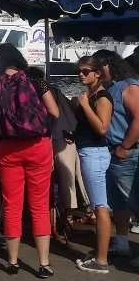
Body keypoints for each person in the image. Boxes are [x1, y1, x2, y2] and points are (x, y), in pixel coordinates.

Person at [0, 43, 59, 278]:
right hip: (38, 147)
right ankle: (44, 263)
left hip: (7, 150)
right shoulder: (36, 80)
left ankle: (13, 262)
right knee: (39, 205)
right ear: (18, 58)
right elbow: (54, 112)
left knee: (12, 205)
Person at [26, 67, 93, 226]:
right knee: (77, 175)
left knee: (66, 177)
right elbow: (71, 107)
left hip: (58, 136)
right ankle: (89, 211)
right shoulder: (55, 89)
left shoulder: (38, 91)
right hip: (70, 133)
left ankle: (69, 215)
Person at [91, 50, 139, 264]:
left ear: (108, 66)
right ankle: (121, 243)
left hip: (126, 152)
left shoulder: (128, 86)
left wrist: (125, 146)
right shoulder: (108, 88)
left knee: (135, 201)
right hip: (110, 151)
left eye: (97, 68)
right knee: (118, 202)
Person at [70, 57, 114, 273]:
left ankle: (102, 260)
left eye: (86, 71)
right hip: (89, 150)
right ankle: (100, 254)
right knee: (100, 205)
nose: (81, 74)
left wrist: (85, 106)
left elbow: (103, 128)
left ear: (97, 73)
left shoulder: (102, 97)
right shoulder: (92, 94)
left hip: (94, 154)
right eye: (79, 71)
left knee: (100, 206)